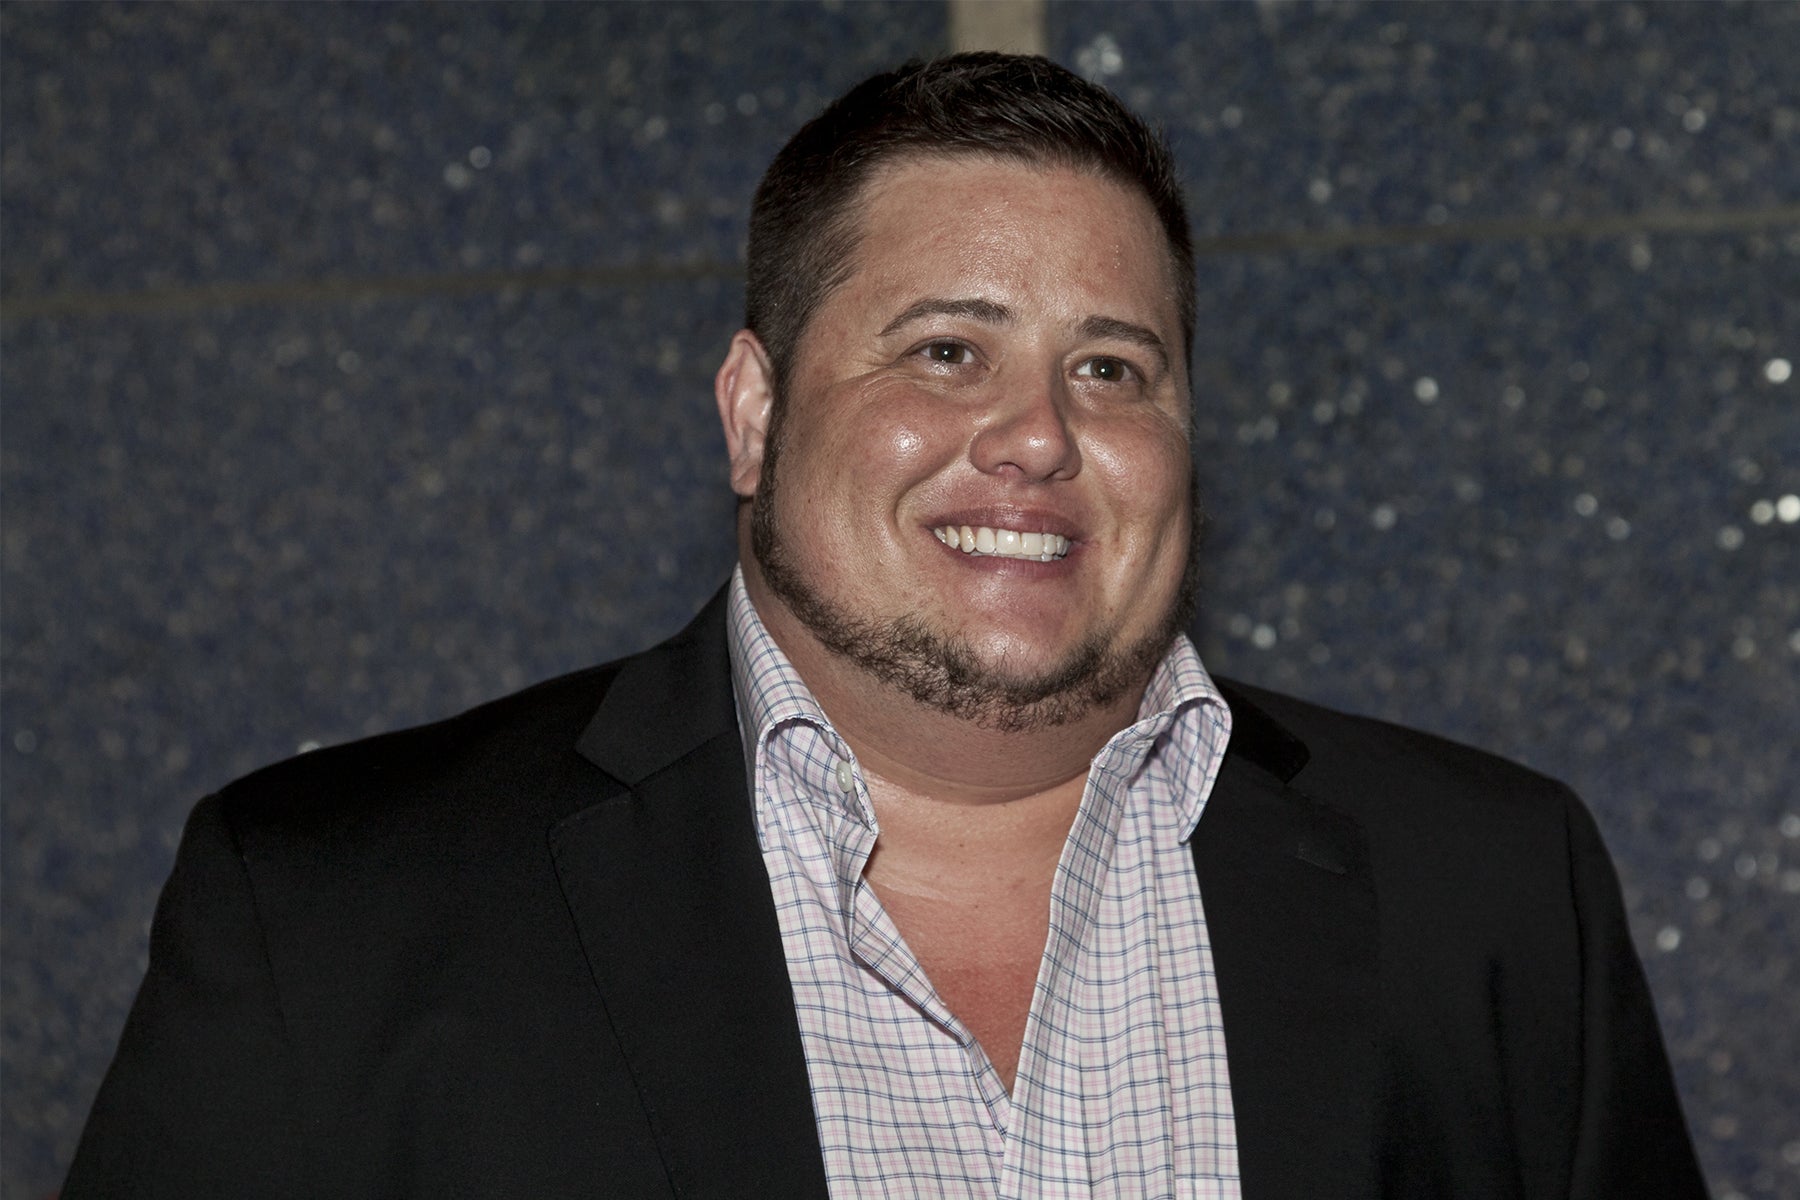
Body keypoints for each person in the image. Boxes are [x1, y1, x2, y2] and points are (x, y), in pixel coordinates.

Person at [65, 53, 1706, 1199]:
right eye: (945, 349)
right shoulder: (331, 918)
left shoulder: (1490, 895)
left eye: (1114, 367)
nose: (1040, 435)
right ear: (754, 414)